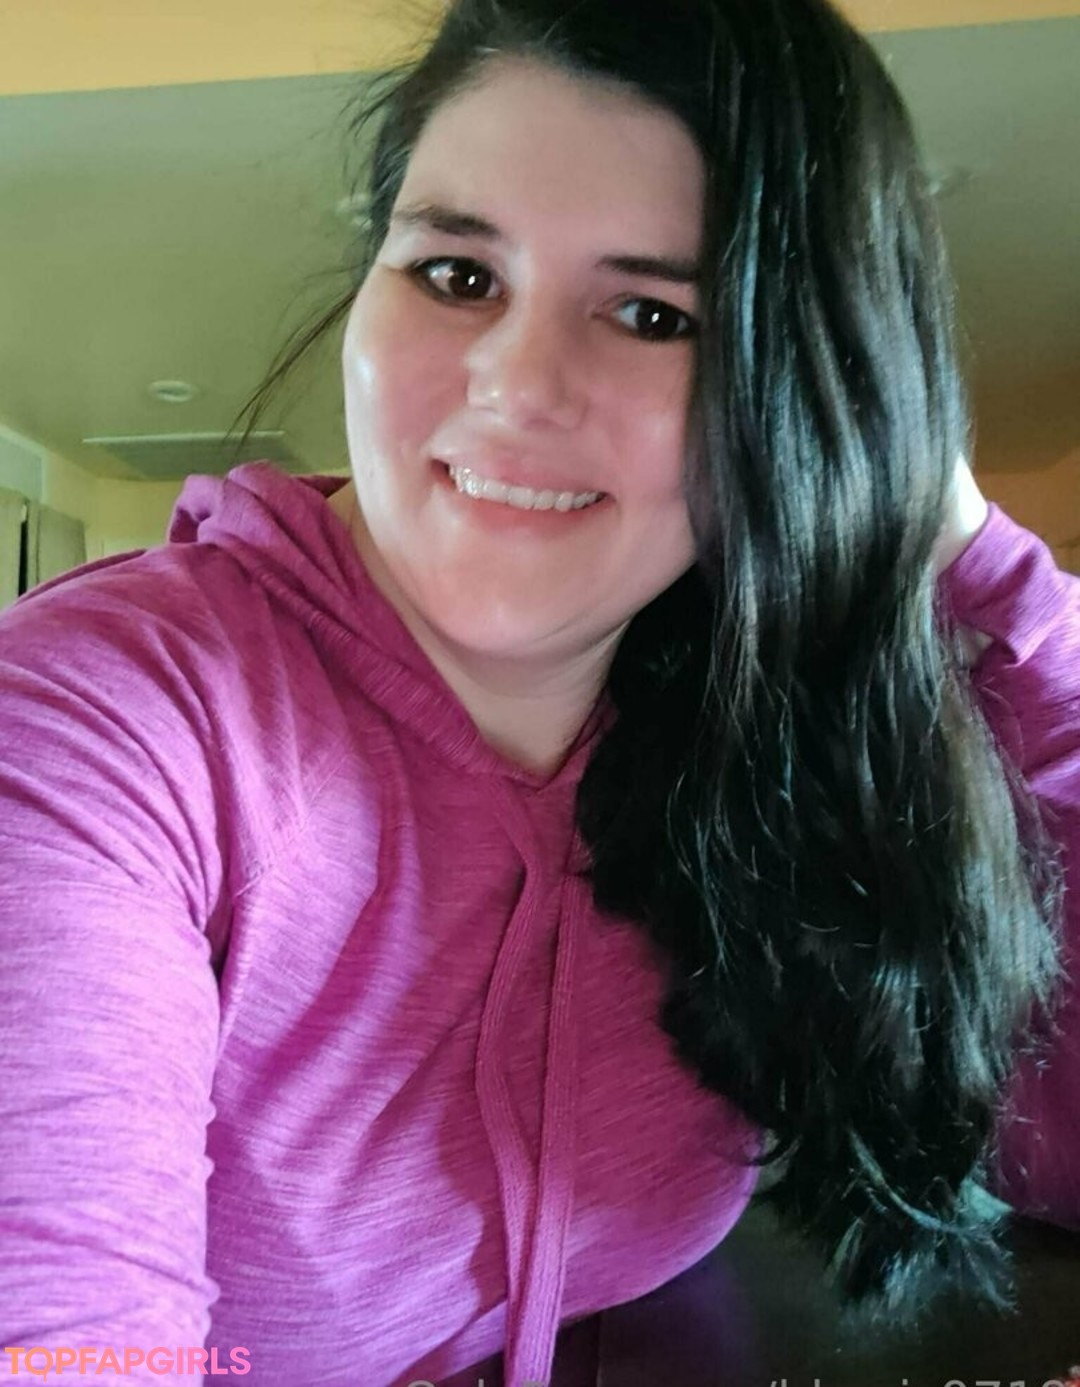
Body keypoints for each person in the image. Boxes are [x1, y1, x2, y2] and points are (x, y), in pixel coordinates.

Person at [1, 0, 1077, 1383]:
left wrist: (981, 561)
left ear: (800, 395)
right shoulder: (98, 721)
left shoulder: (751, 731)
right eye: (457, 275)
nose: (514, 385)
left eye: (652, 313)